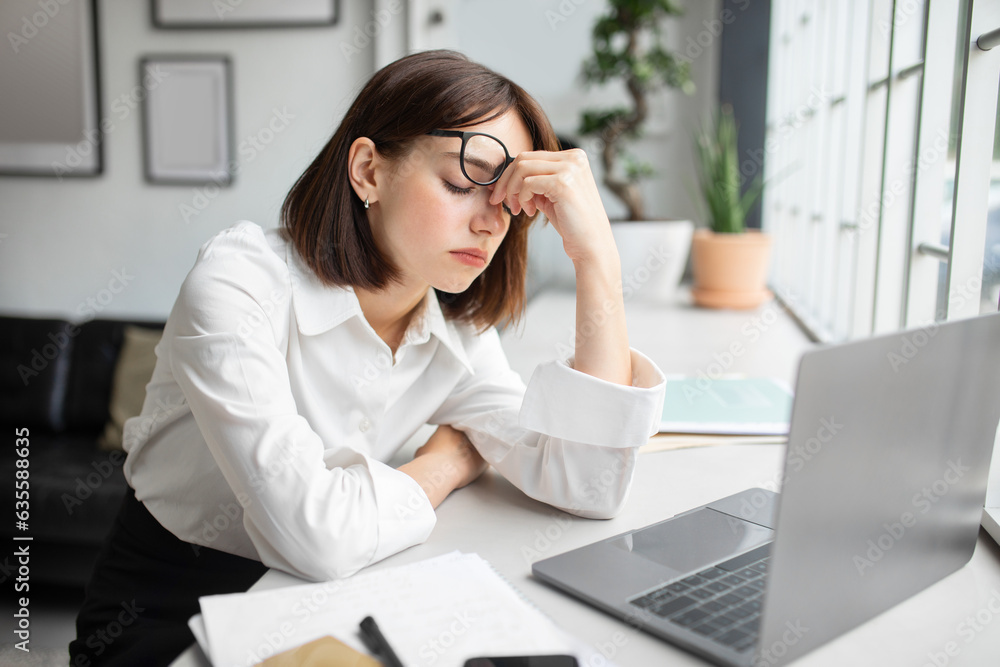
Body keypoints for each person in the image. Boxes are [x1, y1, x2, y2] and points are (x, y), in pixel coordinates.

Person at [70, 49, 666, 666]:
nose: (491, 221)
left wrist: (597, 257)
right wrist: (449, 460)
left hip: (333, 603)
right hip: (172, 607)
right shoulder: (239, 283)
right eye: (465, 181)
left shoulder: (456, 328)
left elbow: (586, 483)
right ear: (368, 171)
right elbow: (316, 537)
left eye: (509, 198)